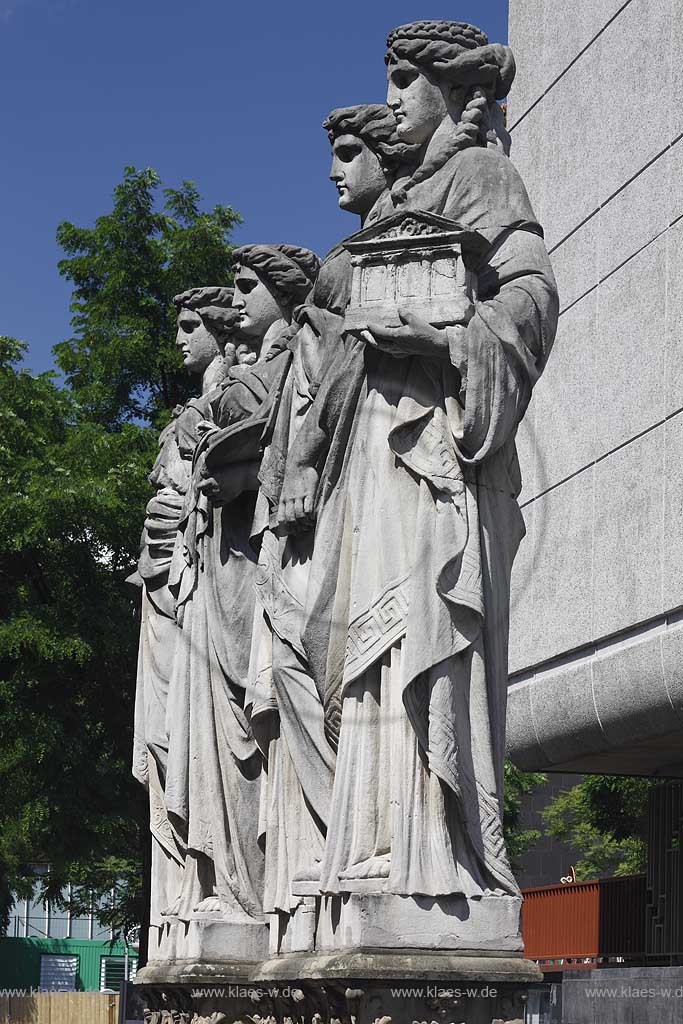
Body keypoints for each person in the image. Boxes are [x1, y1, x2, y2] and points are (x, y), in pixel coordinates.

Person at [280, 20, 559, 908]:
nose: (393, 98)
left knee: (419, 633)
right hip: (368, 450)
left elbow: (531, 294)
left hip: (433, 444)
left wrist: (443, 338)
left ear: (452, 93)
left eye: (405, 82)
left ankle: (426, 851)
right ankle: (368, 842)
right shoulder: (396, 200)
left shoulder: (479, 174)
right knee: (360, 646)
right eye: (390, 81)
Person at [245, 105, 419, 950]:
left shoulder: (397, 243)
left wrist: (308, 451)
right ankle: (329, 841)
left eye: (348, 155)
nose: (331, 172)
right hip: (313, 495)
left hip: (358, 478)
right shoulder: (350, 259)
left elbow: (347, 366)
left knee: (324, 651)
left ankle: (351, 839)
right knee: (293, 665)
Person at [161, 245, 320, 937]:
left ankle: (250, 888)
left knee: (251, 725)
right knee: (210, 731)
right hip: (213, 571)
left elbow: (287, 445)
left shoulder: (295, 358)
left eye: (245, 286)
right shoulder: (249, 374)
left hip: (250, 563)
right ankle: (221, 881)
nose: (236, 300)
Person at [130, 286, 243, 955]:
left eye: (190, 325)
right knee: (165, 744)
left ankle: (213, 882)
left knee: (199, 742)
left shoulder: (234, 403)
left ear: (223, 331)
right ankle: (176, 896)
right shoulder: (180, 421)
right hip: (165, 597)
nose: (178, 337)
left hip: (209, 590)